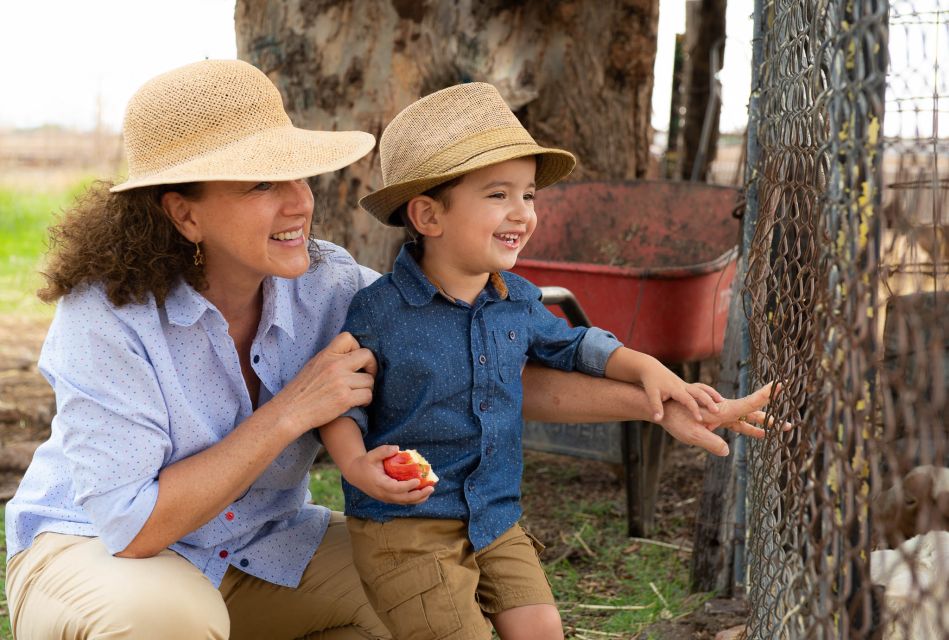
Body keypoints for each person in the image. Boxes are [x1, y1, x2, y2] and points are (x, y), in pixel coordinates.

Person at [3, 60, 775, 640]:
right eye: (260, 184)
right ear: (184, 214)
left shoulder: (332, 284)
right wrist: (290, 413)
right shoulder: (105, 317)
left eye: (299, 175)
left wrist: (654, 399)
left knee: (439, 603)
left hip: (263, 547)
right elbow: (133, 526)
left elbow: (478, 364)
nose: (300, 201)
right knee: (165, 621)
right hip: (105, 558)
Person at [318, 82, 783, 640]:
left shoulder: (517, 298)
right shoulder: (379, 311)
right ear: (428, 215)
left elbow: (576, 345)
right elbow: (341, 401)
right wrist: (354, 464)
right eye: (498, 195)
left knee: (542, 627)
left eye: (529, 195)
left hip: (493, 516)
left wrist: (647, 370)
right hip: (406, 528)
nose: (523, 213)